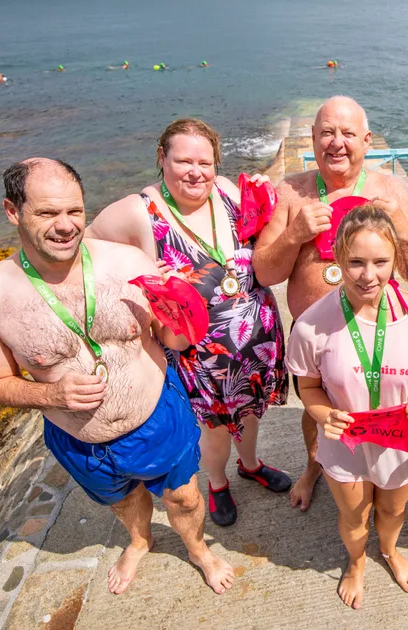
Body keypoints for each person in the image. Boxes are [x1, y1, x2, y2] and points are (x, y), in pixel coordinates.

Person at [0, 158, 235, 596]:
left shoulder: (128, 262)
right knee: (122, 501)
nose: (65, 225)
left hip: (156, 418)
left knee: (184, 497)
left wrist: (181, 307)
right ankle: (140, 540)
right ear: (13, 211)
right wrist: (51, 392)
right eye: (47, 213)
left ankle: (198, 549)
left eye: (74, 211)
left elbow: (173, 338)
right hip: (79, 440)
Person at [88, 119, 290, 528]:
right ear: (162, 159)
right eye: (183, 160)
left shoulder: (230, 194)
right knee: (215, 431)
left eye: (205, 161)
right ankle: (217, 483)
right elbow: (87, 248)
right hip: (199, 354)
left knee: (252, 414)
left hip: (257, 343)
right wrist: (139, 271)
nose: (195, 171)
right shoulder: (140, 212)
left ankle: (249, 465)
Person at [253, 95, 408, 511]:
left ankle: (380, 472)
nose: (337, 142)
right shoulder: (292, 191)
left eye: (348, 133)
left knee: (382, 404)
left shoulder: (391, 190)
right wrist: (293, 234)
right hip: (317, 336)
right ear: (312, 139)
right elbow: (264, 273)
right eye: (327, 133)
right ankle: (314, 467)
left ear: (367, 141)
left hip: (381, 332)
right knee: (316, 407)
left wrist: (402, 228)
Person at [286, 205, 408, 610]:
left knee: (393, 508)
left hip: (399, 439)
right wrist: (323, 415)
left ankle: (388, 550)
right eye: (356, 262)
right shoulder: (311, 325)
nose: (368, 275)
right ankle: (356, 562)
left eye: (380, 262)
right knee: (354, 519)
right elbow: (309, 387)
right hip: (345, 444)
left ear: (394, 260)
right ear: (337, 257)